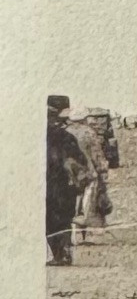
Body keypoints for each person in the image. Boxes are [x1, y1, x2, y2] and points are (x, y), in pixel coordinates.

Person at [45, 96, 90, 266]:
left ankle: (60, 254)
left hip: (54, 185)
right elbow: (81, 162)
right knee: (62, 219)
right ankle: (63, 253)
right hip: (65, 186)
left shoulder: (48, 136)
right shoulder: (67, 136)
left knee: (53, 220)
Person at [66, 109, 112, 243]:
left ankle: (73, 235)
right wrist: (102, 170)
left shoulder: (66, 131)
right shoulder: (88, 133)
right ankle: (84, 236)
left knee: (73, 203)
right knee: (87, 204)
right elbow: (97, 154)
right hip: (87, 173)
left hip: (69, 173)